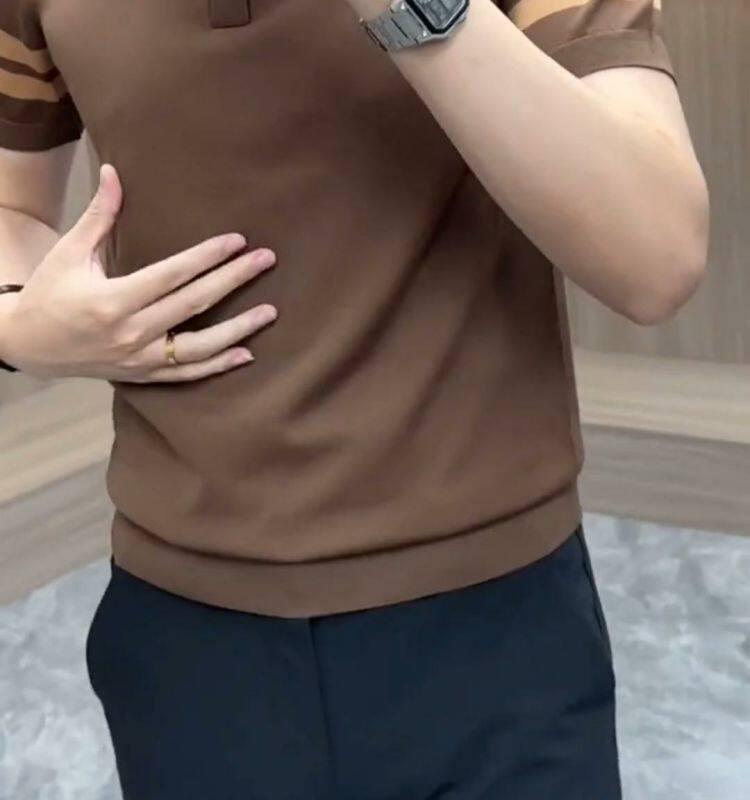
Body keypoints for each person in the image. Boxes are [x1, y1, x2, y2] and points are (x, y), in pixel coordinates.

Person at [0, 0, 709, 797]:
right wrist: (19, 324)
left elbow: (657, 257)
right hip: (181, 629)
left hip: (496, 619)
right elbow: (14, 208)